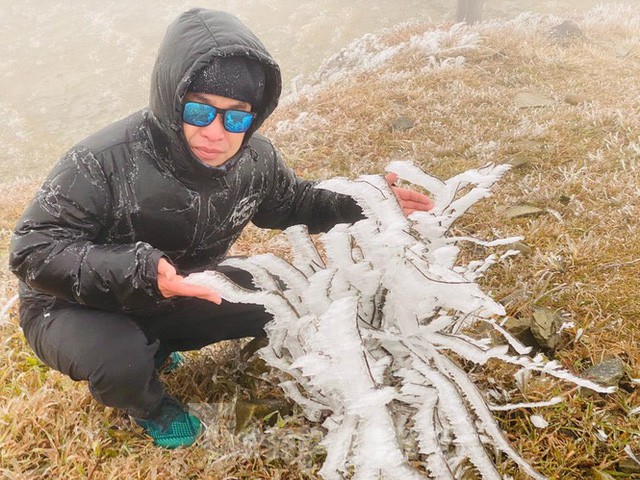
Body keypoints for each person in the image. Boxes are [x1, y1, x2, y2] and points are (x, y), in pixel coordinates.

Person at [9, 8, 433, 449]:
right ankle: (148, 404)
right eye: (200, 110)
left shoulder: (255, 160)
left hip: (182, 289)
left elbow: (294, 203)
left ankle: (155, 342)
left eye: (236, 117)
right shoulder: (102, 161)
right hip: (71, 305)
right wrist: (141, 272)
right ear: (172, 100)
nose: (216, 132)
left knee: (278, 294)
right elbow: (32, 251)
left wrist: (364, 202)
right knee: (121, 362)